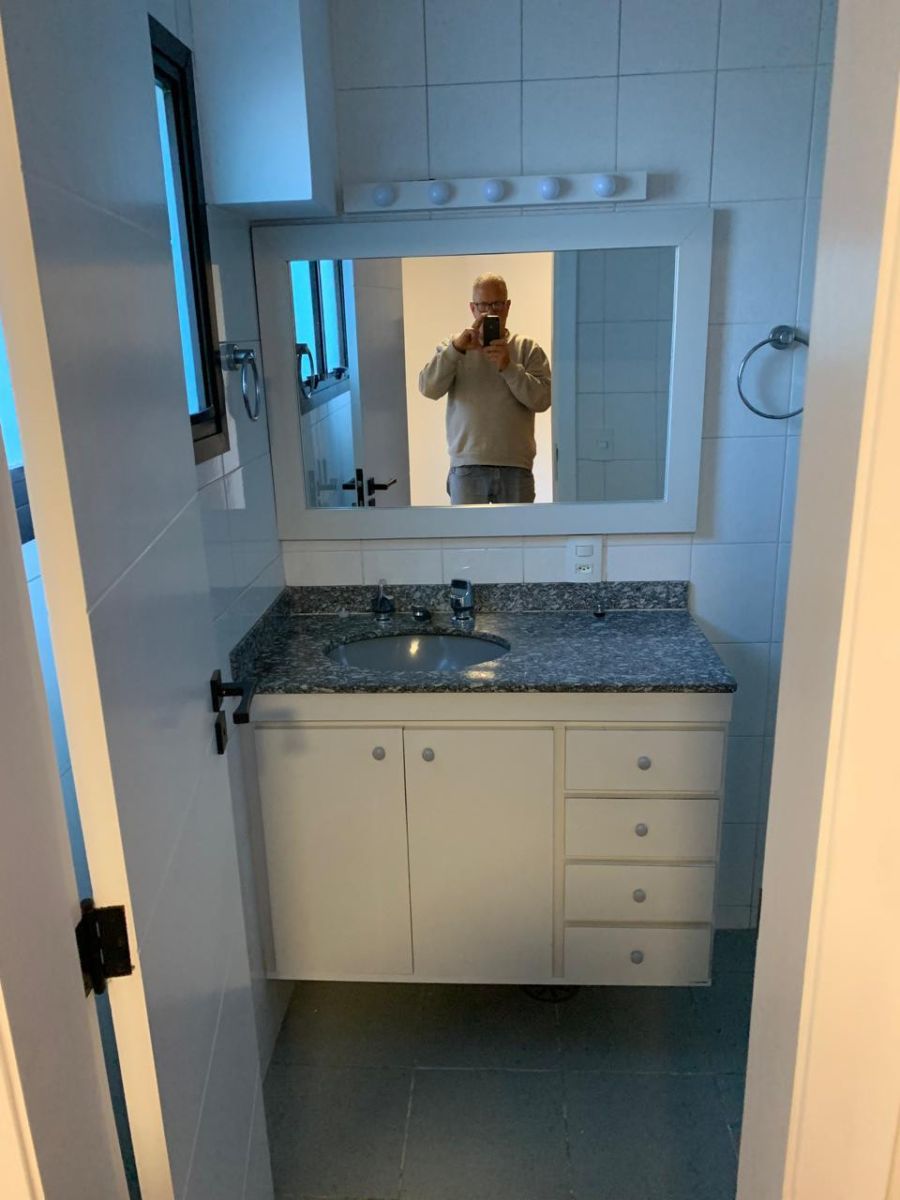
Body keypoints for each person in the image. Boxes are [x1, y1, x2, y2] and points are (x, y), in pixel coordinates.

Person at [418, 273, 551, 504]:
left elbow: (542, 400)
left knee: (517, 530)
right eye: (483, 306)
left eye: (497, 304)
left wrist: (508, 367)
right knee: (468, 530)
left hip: (515, 467)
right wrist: (455, 350)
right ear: (472, 308)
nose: (490, 312)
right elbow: (428, 388)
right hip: (467, 467)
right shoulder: (454, 346)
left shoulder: (527, 348)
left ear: (508, 306)